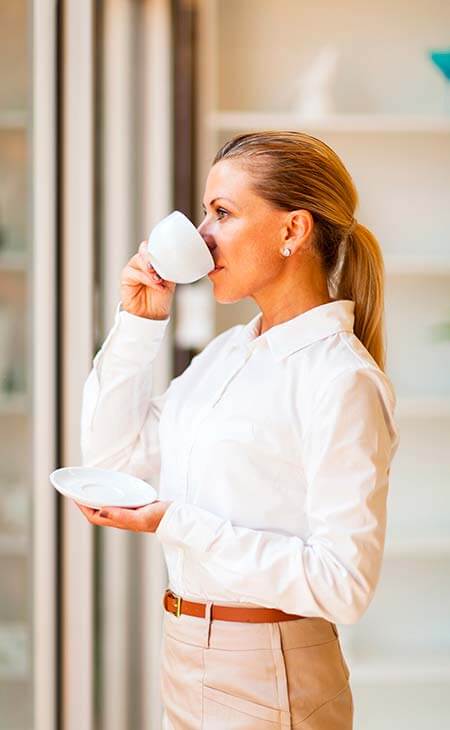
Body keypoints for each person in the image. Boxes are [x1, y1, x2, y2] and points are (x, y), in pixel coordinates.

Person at [77, 130, 400, 729]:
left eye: (222, 213)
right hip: (185, 651)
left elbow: (344, 585)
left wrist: (177, 522)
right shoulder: (228, 354)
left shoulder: (339, 379)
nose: (200, 235)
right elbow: (112, 460)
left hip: (269, 672)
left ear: (292, 231)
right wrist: (137, 327)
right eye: (205, 212)